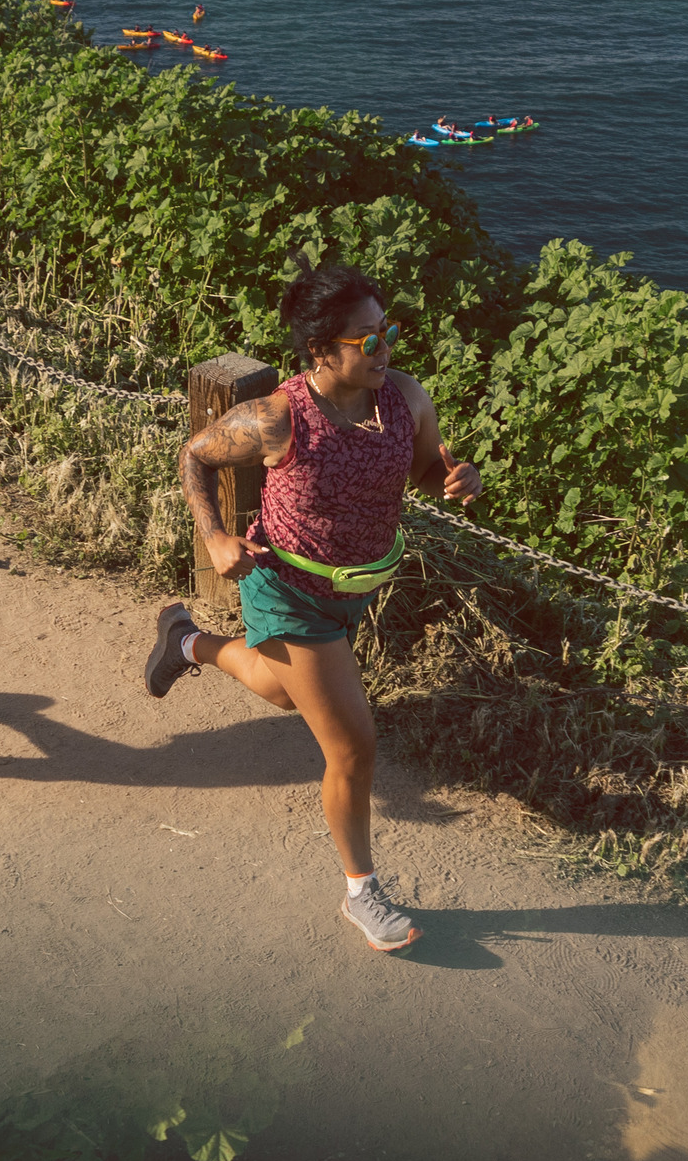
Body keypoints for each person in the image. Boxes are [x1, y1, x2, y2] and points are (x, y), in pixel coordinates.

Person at [139, 263, 481, 953]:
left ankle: (186, 641)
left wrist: (453, 477)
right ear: (322, 350)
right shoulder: (278, 417)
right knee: (352, 745)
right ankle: (363, 893)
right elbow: (195, 457)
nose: (385, 348)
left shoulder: (407, 402)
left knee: (281, 692)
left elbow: (413, 471)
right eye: (368, 339)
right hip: (284, 587)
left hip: (352, 591)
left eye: (388, 332)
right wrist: (214, 536)